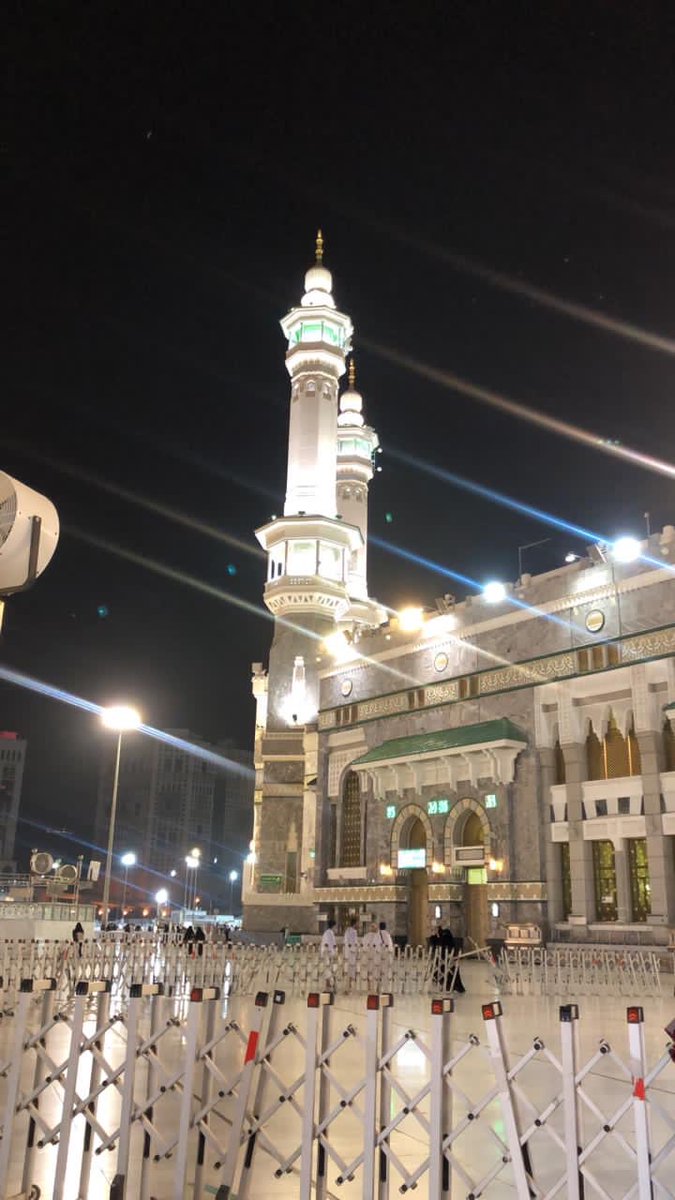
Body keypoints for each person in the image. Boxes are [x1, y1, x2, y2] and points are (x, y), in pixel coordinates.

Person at [440, 926, 465, 993]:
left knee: (453, 973)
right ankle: (447, 985)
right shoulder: (445, 941)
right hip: (445, 960)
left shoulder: (448, 940)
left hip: (451, 960)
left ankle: (452, 986)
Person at [343, 918, 359, 987]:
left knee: (349, 965)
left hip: (348, 951)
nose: (358, 924)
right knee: (352, 965)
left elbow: (345, 941)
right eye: (357, 923)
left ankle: (349, 980)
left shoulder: (347, 930)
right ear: (354, 924)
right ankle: (351, 980)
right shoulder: (354, 932)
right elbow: (354, 942)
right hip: (352, 951)